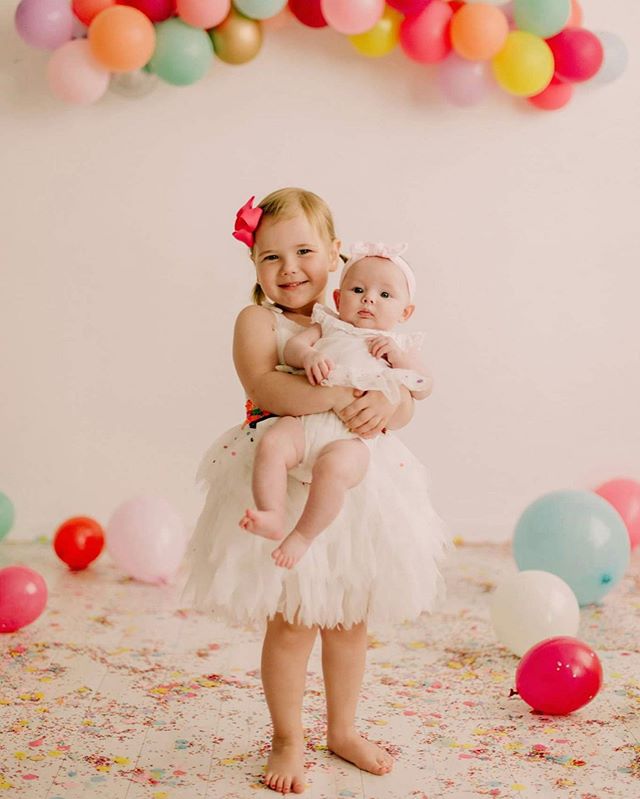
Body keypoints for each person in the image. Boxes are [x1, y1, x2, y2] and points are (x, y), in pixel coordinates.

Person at [183, 188, 448, 795]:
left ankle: (344, 728)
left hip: (354, 486)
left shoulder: (355, 318)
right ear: (254, 267)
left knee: (348, 617)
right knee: (294, 620)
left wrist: (388, 404)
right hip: (283, 473)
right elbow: (266, 387)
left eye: (303, 251)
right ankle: (287, 737)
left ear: (335, 255)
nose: (289, 268)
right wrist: (335, 397)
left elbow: (405, 393)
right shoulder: (260, 320)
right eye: (270, 257)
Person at [240, 240, 434, 570]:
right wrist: (309, 355)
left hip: (351, 438)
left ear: (405, 312)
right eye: (358, 289)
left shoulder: (400, 346)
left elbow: (423, 386)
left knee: (335, 471)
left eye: (385, 295)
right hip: (304, 423)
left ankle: (302, 535)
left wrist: (399, 362)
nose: (369, 298)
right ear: (338, 298)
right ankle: (272, 512)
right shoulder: (329, 325)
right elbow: (293, 349)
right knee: (272, 444)